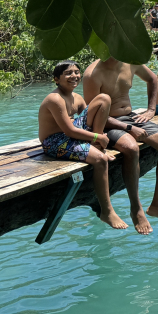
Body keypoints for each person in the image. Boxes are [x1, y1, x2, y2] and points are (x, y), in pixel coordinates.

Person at [83, 56, 158, 233]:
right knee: (131, 148)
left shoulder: (131, 61)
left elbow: (152, 78)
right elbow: (92, 114)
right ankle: (136, 209)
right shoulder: (92, 74)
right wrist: (128, 128)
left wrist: (151, 109)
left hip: (131, 117)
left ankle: (157, 204)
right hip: (107, 123)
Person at [38, 61, 127, 229]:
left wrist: (126, 127)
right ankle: (107, 211)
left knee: (103, 98)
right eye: (68, 73)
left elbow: (94, 117)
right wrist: (97, 136)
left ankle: (98, 148)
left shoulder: (77, 98)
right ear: (57, 79)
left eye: (77, 72)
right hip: (55, 142)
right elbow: (70, 130)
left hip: (70, 136)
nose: (74, 76)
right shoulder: (55, 99)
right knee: (101, 160)